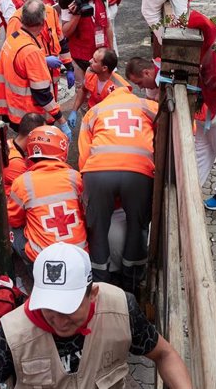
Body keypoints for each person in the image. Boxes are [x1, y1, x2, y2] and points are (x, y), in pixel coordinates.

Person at [0, 242, 193, 389]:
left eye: (68, 307)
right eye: (49, 306)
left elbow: (164, 354)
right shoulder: (10, 336)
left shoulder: (121, 308)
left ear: (93, 295)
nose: (59, 320)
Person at [78, 85, 157, 290]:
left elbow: (84, 154)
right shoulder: (147, 106)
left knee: (98, 227)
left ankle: (99, 280)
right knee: (137, 225)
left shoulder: (94, 111)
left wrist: (88, 182)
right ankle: (131, 279)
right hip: (139, 172)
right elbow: (185, 127)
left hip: (98, 172)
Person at [7, 126, 87, 263]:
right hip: (80, 255)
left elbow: (14, 220)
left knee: (12, 230)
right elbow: (86, 212)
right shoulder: (76, 177)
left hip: (42, 261)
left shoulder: (22, 183)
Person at [0, 0, 72, 138]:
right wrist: (62, 120)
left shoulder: (13, 38)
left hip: (15, 110)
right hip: (30, 116)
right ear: (42, 23)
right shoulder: (31, 51)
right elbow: (42, 94)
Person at [7, 0, 74, 101]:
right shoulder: (16, 21)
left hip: (50, 79)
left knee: (50, 115)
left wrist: (69, 67)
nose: (36, 2)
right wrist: (43, 60)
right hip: (30, 84)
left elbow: (61, 41)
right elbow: (13, 57)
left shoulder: (50, 13)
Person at [61, 0, 113, 94]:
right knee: (83, 95)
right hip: (79, 59)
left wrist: (111, 52)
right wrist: (77, 14)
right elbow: (64, 32)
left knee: (103, 93)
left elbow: (107, 25)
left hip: (100, 57)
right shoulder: (70, 0)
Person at [68, 47, 128, 130]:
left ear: (104, 68)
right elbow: (83, 90)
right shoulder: (90, 73)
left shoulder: (119, 89)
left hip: (108, 123)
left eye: (95, 61)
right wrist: (74, 110)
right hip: (93, 117)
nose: (90, 61)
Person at [3, 112, 44, 197]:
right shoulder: (16, 163)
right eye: (41, 136)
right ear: (31, 135)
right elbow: (30, 193)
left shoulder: (10, 144)